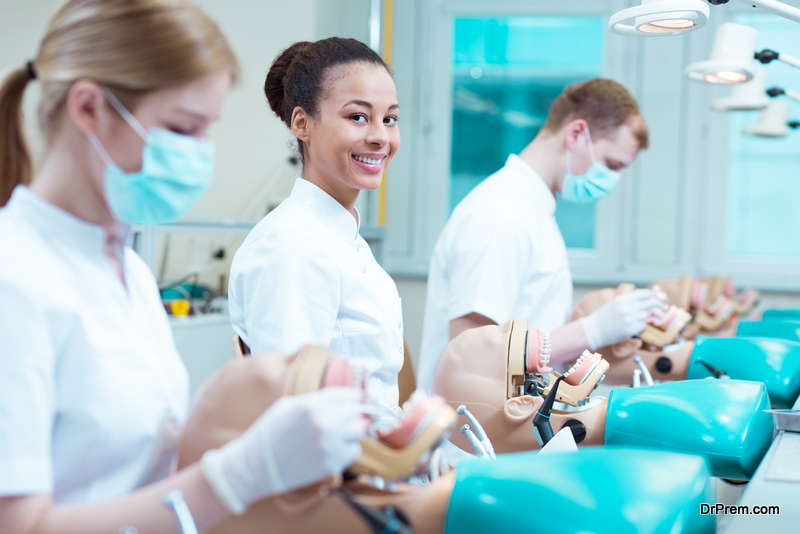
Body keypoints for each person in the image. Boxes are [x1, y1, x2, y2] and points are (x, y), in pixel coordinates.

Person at [0, 1, 366, 532]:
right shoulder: (15, 278)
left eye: (205, 130)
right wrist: (233, 476)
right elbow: (19, 524)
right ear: (88, 108)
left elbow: (136, 476)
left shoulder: (124, 268)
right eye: (181, 128)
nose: (198, 154)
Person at [418, 78, 664, 393]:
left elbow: (532, 336)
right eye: (610, 164)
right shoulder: (500, 214)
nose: (611, 180)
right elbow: (471, 357)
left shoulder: (533, 210)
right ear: (576, 133)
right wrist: (592, 329)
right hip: (470, 437)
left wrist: (607, 317)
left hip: (513, 424)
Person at [228, 38, 404, 408]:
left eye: (389, 119)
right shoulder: (290, 245)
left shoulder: (344, 239)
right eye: (358, 116)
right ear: (302, 123)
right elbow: (297, 409)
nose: (380, 137)